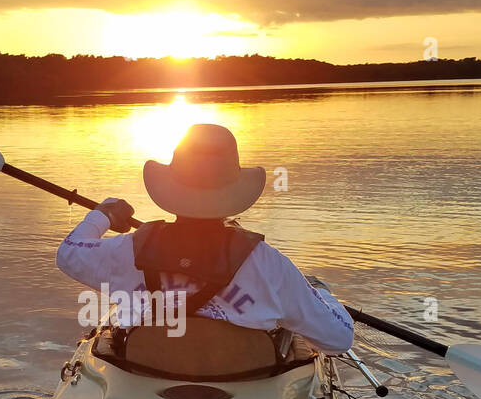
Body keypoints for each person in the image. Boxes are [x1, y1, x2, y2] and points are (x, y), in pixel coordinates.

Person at [56, 123, 355, 353]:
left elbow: (68, 253)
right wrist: (321, 294)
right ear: (234, 189)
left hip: (146, 385)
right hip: (242, 391)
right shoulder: (269, 264)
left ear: (172, 185)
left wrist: (103, 214)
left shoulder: (128, 250)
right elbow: (338, 339)